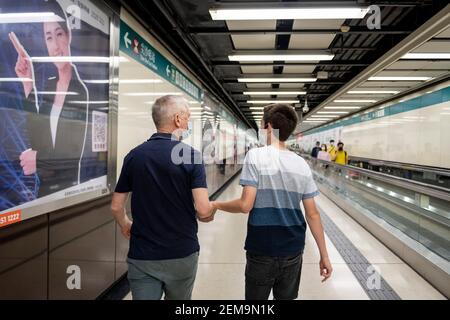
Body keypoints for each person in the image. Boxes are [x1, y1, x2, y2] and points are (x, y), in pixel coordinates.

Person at [212, 104, 332, 300]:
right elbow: (312, 214)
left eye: (261, 125)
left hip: (262, 248)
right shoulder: (301, 164)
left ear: (268, 127)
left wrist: (216, 204)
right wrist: (324, 255)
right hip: (293, 249)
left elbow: (245, 205)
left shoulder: (256, 156)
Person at [111, 95, 216, 300]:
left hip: (143, 255)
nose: (188, 123)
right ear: (177, 119)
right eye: (187, 118)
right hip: (181, 253)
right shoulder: (191, 156)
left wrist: (125, 224)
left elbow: (116, 207)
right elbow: (203, 209)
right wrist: (213, 209)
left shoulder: (135, 155)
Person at [10, 0, 89, 197]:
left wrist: (39, 160)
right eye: (48, 37)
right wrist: (28, 82)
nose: (54, 46)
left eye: (58, 34)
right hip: (45, 192)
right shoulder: (51, 85)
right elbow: (39, 138)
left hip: (69, 193)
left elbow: (73, 153)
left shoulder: (82, 91)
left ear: (68, 36)